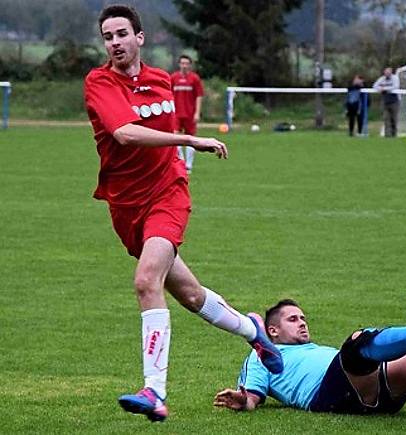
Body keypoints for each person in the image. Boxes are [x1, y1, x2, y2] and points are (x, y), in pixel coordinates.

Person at [84, 4, 283, 423]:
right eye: (108, 36)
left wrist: (185, 144)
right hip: (126, 206)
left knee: (145, 281)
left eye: (122, 34)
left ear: (140, 38)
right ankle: (254, 332)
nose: (115, 42)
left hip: (167, 196)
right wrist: (189, 139)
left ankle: (154, 392)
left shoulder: (160, 80)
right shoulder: (99, 82)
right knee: (191, 296)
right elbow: (124, 133)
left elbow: (155, 141)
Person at [214, 298, 406, 415]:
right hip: (328, 396)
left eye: (303, 318)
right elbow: (251, 397)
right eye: (293, 319)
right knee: (356, 344)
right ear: (272, 331)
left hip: (361, 389)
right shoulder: (260, 355)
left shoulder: (310, 349)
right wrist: (244, 400)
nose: (302, 322)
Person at [171, 54, 204, 173]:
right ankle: (181, 162)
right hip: (176, 114)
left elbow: (199, 96)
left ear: (190, 65)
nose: (184, 65)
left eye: (186, 63)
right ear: (179, 64)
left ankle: (189, 165)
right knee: (175, 138)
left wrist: (197, 113)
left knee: (191, 139)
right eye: (182, 63)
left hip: (190, 113)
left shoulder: (194, 78)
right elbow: (168, 95)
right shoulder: (173, 78)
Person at [373, 67, 400, 137]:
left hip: (394, 101)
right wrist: (380, 89)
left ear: (391, 73)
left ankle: (394, 135)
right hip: (385, 101)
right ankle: (387, 135)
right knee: (386, 119)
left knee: (394, 119)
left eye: (388, 73)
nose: (387, 74)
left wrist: (384, 89)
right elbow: (375, 86)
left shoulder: (395, 78)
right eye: (386, 73)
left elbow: (396, 86)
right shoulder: (382, 79)